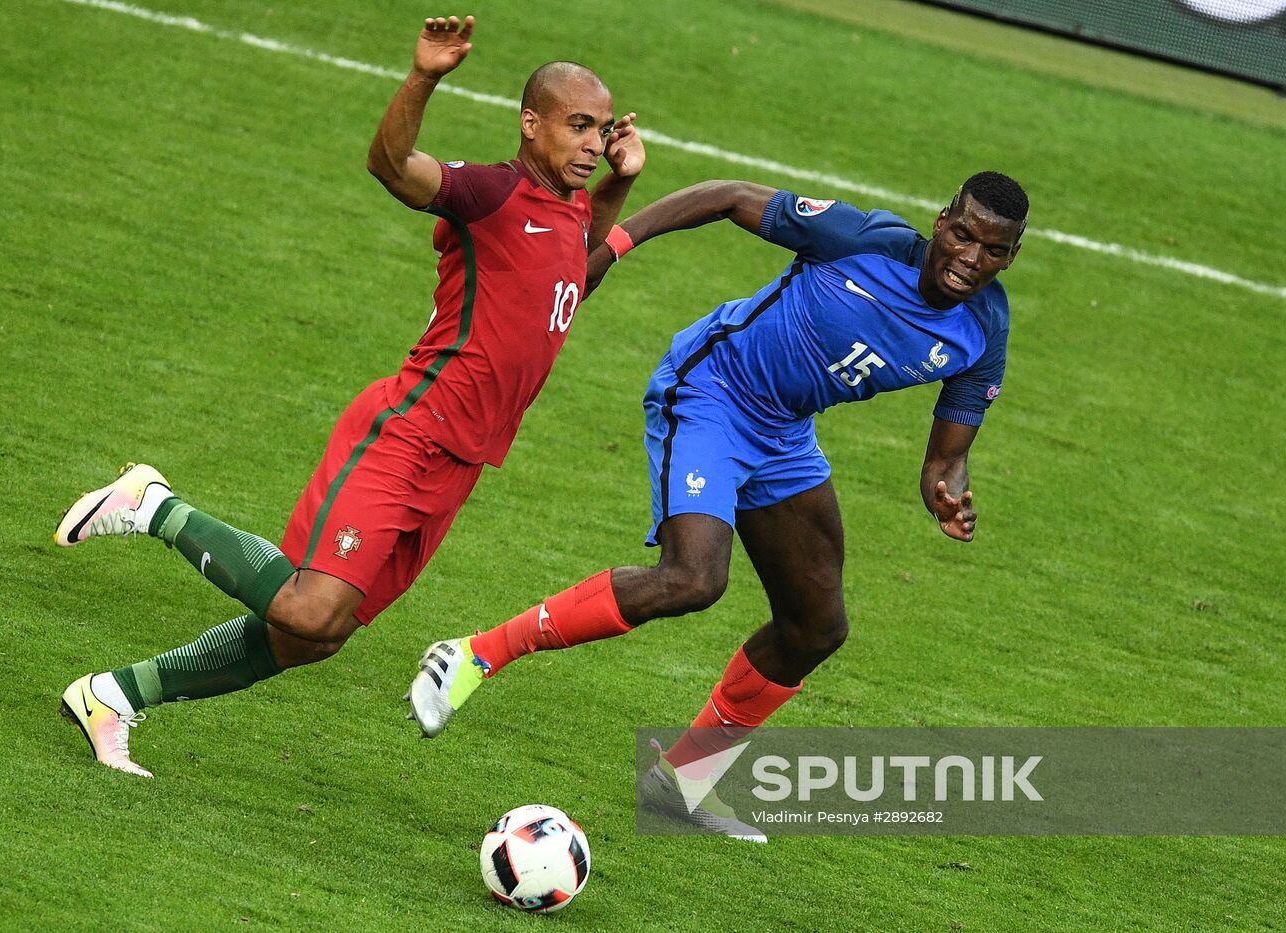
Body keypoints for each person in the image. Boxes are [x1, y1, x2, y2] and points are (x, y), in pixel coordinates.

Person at [52, 14, 645, 777]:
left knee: (312, 636)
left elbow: (566, 267)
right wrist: (425, 76)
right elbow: (393, 166)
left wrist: (621, 184)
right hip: (409, 431)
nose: (593, 143)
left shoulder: (569, 206)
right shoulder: (490, 193)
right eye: (578, 126)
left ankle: (112, 696)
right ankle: (151, 503)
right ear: (531, 125)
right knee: (304, 605)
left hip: (458, 466)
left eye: (601, 129)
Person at [406, 172, 1027, 841]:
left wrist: (947, 492)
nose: (971, 258)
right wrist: (609, 250)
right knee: (693, 578)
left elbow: (946, 457)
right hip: (711, 391)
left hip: (785, 432)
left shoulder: (983, 328)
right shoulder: (859, 238)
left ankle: (681, 781)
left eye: (993, 251)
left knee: (816, 625)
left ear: (1009, 258)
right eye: (964, 234)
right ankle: (470, 655)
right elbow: (727, 196)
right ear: (941, 222)